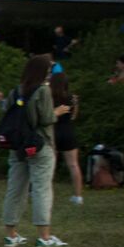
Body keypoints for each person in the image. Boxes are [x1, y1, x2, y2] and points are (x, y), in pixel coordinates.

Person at [3, 55, 69, 247]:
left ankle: (11, 234)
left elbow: (7, 114)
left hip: (17, 145)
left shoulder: (16, 91)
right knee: (41, 188)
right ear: (42, 72)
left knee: (15, 187)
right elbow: (46, 118)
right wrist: (59, 111)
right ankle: (44, 236)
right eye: (48, 70)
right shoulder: (43, 91)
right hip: (40, 144)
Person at [50, 72, 83, 206]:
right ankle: (78, 196)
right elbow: (74, 116)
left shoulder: (49, 98)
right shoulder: (72, 98)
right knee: (73, 165)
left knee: (50, 165)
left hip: (53, 132)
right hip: (68, 132)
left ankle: (47, 193)